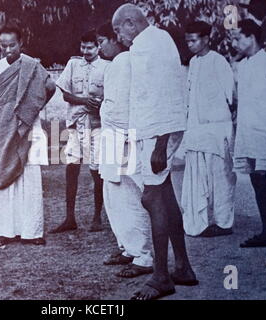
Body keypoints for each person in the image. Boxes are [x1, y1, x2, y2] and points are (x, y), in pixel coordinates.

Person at [112, 4, 198, 300]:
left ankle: (161, 276)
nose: (118, 36)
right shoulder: (151, 42)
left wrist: (161, 143)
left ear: (130, 23)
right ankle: (183, 268)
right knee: (164, 194)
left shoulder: (152, 44)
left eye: (117, 30)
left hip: (158, 132)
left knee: (152, 197)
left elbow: (168, 93)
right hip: (153, 130)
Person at [0, 26, 55, 248]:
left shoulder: (33, 66)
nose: (7, 50)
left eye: (12, 45)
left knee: (31, 180)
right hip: (3, 131)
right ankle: (4, 231)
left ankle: (32, 231)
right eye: (3, 46)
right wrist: (1, 125)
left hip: (28, 128)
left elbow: (50, 88)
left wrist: (31, 108)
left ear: (21, 43)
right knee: (5, 177)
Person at [97, 23, 153, 278]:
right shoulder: (117, 64)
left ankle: (143, 256)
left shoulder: (127, 61)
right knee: (113, 195)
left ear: (114, 40)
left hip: (124, 138)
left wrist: (122, 138)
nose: (100, 47)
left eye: (101, 41)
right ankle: (127, 248)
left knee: (130, 196)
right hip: (112, 137)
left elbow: (123, 107)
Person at [49, 30, 110, 233]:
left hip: (97, 125)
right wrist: (84, 101)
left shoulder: (107, 67)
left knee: (97, 171)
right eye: (83, 47)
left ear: (98, 46)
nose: (85, 51)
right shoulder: (73, 64)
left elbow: (111, 99)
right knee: (71, 168)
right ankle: (69, 218)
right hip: (75, 123)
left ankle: (97, 217)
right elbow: (66, 95)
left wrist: (99, 105)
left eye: (90, 47)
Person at [181, 21, 236, 237]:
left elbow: (230, 97)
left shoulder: (218, 61)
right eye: (188, 41)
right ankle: (198, 221)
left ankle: (224, 223)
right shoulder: (193, 63)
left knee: (221, 177)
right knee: (197, 176)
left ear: (206, 39)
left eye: (194, 40)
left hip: (217, 129)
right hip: (196, 129)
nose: (190, 45)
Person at [231, 19, 266, 247]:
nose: (234, 43)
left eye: (237, 38)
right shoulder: (242, 66)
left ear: (251, 37)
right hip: (249, 132)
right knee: (257, 179)